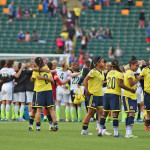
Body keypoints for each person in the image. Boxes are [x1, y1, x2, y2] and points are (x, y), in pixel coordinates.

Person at [98, 59, 136, 137]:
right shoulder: (119, 73)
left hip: (107, 94)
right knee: (115, 114)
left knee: (104, 113)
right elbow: (120, 84)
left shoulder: (109, 73)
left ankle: (100, 131)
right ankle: (116, 133)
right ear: (118, 64)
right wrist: (130, 89)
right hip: (114, 94)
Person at [30, 57, 58, 131]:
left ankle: (38, 127)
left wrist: (41, 77)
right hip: (48, 90)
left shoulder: (36, 70)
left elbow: (32, 79)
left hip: (40, 91)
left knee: (39, 110)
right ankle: (55, 124)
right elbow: (52, 80)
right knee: (51, 109)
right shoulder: (47, 69)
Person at [81, 56, 104, 135]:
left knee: (101, 112)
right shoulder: (93, 71)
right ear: (98, 63)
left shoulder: (102, 71)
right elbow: (85, 80)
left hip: (100, 95)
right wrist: (87, 90)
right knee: (90, 113)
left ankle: (101, 130)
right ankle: (84, 130)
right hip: (93, 94)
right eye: (102, 62)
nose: (103, 63)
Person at [123, 56, 140, 138]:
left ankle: (128, 132)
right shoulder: (130, 72)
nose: (137, 67)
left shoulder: (131, 72)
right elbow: (131, 84)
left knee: (130, 114)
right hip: (128, 96)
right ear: (132, 65)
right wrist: (138, 79)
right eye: (136, 66)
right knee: (132, 113)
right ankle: (128, 133)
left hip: (133, 96)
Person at [138, 61, 150, 131]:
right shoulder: (145, 70)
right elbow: (139, 77)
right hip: (147, 93)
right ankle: (146, 124)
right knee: (148, 112)